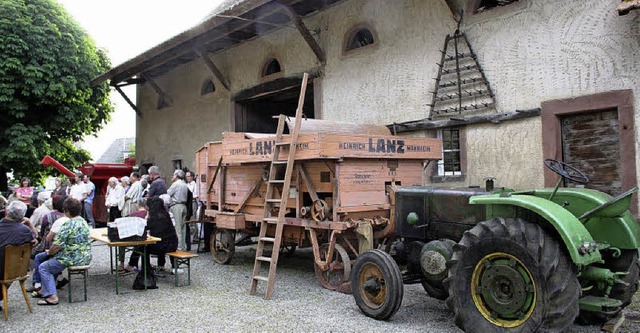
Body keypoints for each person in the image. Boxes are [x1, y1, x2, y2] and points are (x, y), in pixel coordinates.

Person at [31, 198, 91, 305]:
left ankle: (52, 296)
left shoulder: (68, 224)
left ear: (66, 211)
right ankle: (46, 290)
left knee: (44, 267)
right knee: (51, 264)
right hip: (84, 256)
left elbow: (57, 245)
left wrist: (49, 252)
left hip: (71, 258)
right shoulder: (83, 221)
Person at [125, 197, 177, 273]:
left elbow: (145, 227)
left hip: (162, 246)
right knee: (162, 240)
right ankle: (161, 265)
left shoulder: (154, 217)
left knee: (142, 246)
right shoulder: (166, 215)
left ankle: (143, 268)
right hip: (173, 245)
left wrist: (146, 218)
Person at [0, 201, 37, 308]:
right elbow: (35, 237)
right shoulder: (25, 231)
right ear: (22, 216)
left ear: (6, 211)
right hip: (16, 270)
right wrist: (29, 223)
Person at [167, 169, 189, 251]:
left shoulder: (175, 184)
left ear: (176, 176)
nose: (172, 176)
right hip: (183, 206)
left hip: (176, 206)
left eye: (173, 175)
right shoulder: (184, 184)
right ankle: (183, 246)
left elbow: (168, 194)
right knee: (183, 228)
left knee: (178, 228)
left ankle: (179, 247)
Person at [185, 170, 200, 245]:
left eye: (188, 176)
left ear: (192, 177)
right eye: (186, 176)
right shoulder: (186, 185)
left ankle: (195, 237)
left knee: (193, 219)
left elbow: (196, 195)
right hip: (188, 203)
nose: (187, 178)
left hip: (193, 202)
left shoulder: (195, 184)